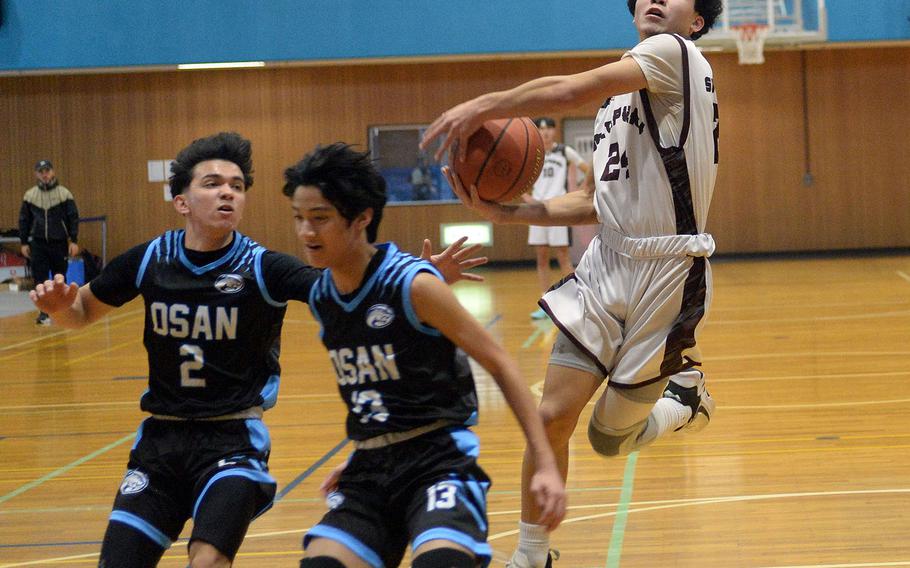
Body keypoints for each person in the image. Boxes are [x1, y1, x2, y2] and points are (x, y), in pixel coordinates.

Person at [29, 132, 486, 568]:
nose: (228, 193)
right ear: (181, 201)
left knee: (207, 559)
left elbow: (350, 288)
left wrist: (409, 280)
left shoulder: (262, 267)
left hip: (232, 443)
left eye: (237, 185)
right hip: (159, 443)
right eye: (212, 184)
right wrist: (60, 307)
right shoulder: (150, 259)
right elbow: (83, 312)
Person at [421, 0, 724, 565]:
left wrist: (487, 104)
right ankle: (531, 555)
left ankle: (685, 401)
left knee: (607, 441)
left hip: (667, 272)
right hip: (605, 267)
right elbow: (594, 202)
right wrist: (508, 214)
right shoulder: (615, 107)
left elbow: (565, 91)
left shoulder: (677, 56)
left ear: (698, 22)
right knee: (550, 419)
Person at [284, 143, 566, 568]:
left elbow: (500, 362)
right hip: (370, 470)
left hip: (437, 464)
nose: (307, 232)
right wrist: (368, 444)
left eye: (320, 218)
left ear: (361, 218)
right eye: (299, 218)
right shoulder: (323, 296)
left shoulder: (414, 285)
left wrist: (544, 462)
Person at [524, 118, 590, 320]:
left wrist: (578, 191)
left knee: (563, 256)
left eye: (548, 128)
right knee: (542, 258)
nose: (545, 132)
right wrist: (525, 197)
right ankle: (545, 302)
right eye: (541, 129)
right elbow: (519, 180)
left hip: (557, 210)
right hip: (536, 210)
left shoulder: (564, 151)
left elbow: (587, 169)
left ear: (554, 131)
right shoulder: (532, 153)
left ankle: (575, 301)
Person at [19, 159, 80, 325]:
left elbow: (72, 218)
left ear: (52, 172)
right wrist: (24, 242)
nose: (44, 174)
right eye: (41, 171)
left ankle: (64, 311)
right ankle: (43, 312)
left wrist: (73, 240)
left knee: (60, 277)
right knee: (40, 278)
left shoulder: (64, 193)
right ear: (36, 174)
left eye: (47, 171)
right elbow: (24, 220)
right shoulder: (30, 195)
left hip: (59, 242)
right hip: (38, 244)